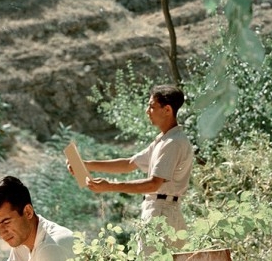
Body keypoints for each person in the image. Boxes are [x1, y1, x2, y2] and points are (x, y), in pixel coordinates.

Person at [74, 84, 193, 237]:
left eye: (152, 107)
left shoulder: (172, 143)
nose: (147, 111)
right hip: (158, 209)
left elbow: (153, 184)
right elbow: (129, 164)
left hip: (163, 213)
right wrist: (86, 165)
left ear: (167, 110)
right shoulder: (163, 140)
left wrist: (110, 186)